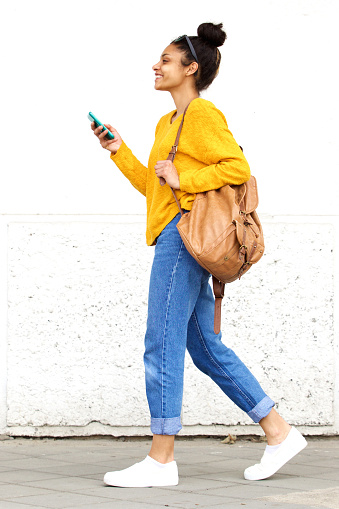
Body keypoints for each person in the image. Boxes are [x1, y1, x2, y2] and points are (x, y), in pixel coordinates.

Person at [90, 22, 307, 488]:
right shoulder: (166, 123)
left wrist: (183, 180)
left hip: (183, 239)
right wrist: (119, 151)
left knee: (160, 341)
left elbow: (237, 167)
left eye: (165, 60)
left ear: (191, 68)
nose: (156, 65)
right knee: (205, 348)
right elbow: (154, 188)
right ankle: (279, 431)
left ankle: (162, 458)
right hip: (174, 229)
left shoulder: (203, 114)